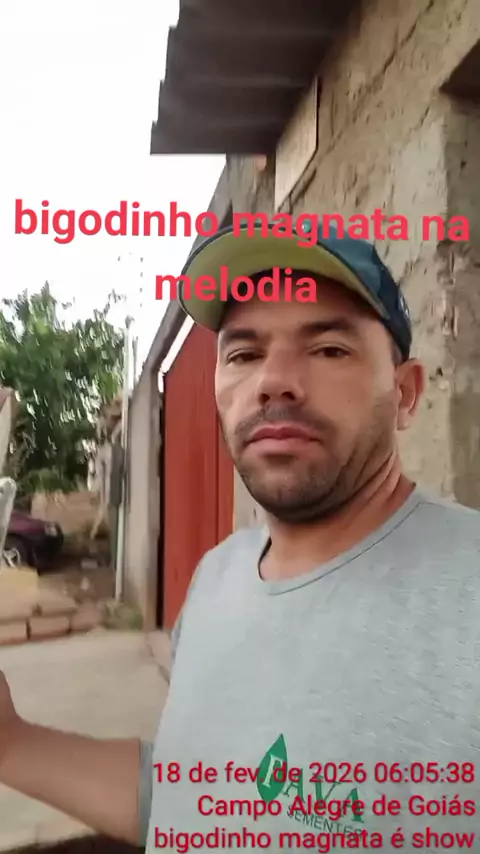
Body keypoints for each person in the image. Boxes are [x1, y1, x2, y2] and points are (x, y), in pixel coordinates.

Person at [0, 222, 479, 852]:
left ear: (406, 394)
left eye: (329, 349)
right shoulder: (218, 576)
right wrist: (11, 743)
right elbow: (194, 800)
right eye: (244, 355)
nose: (273, 380)